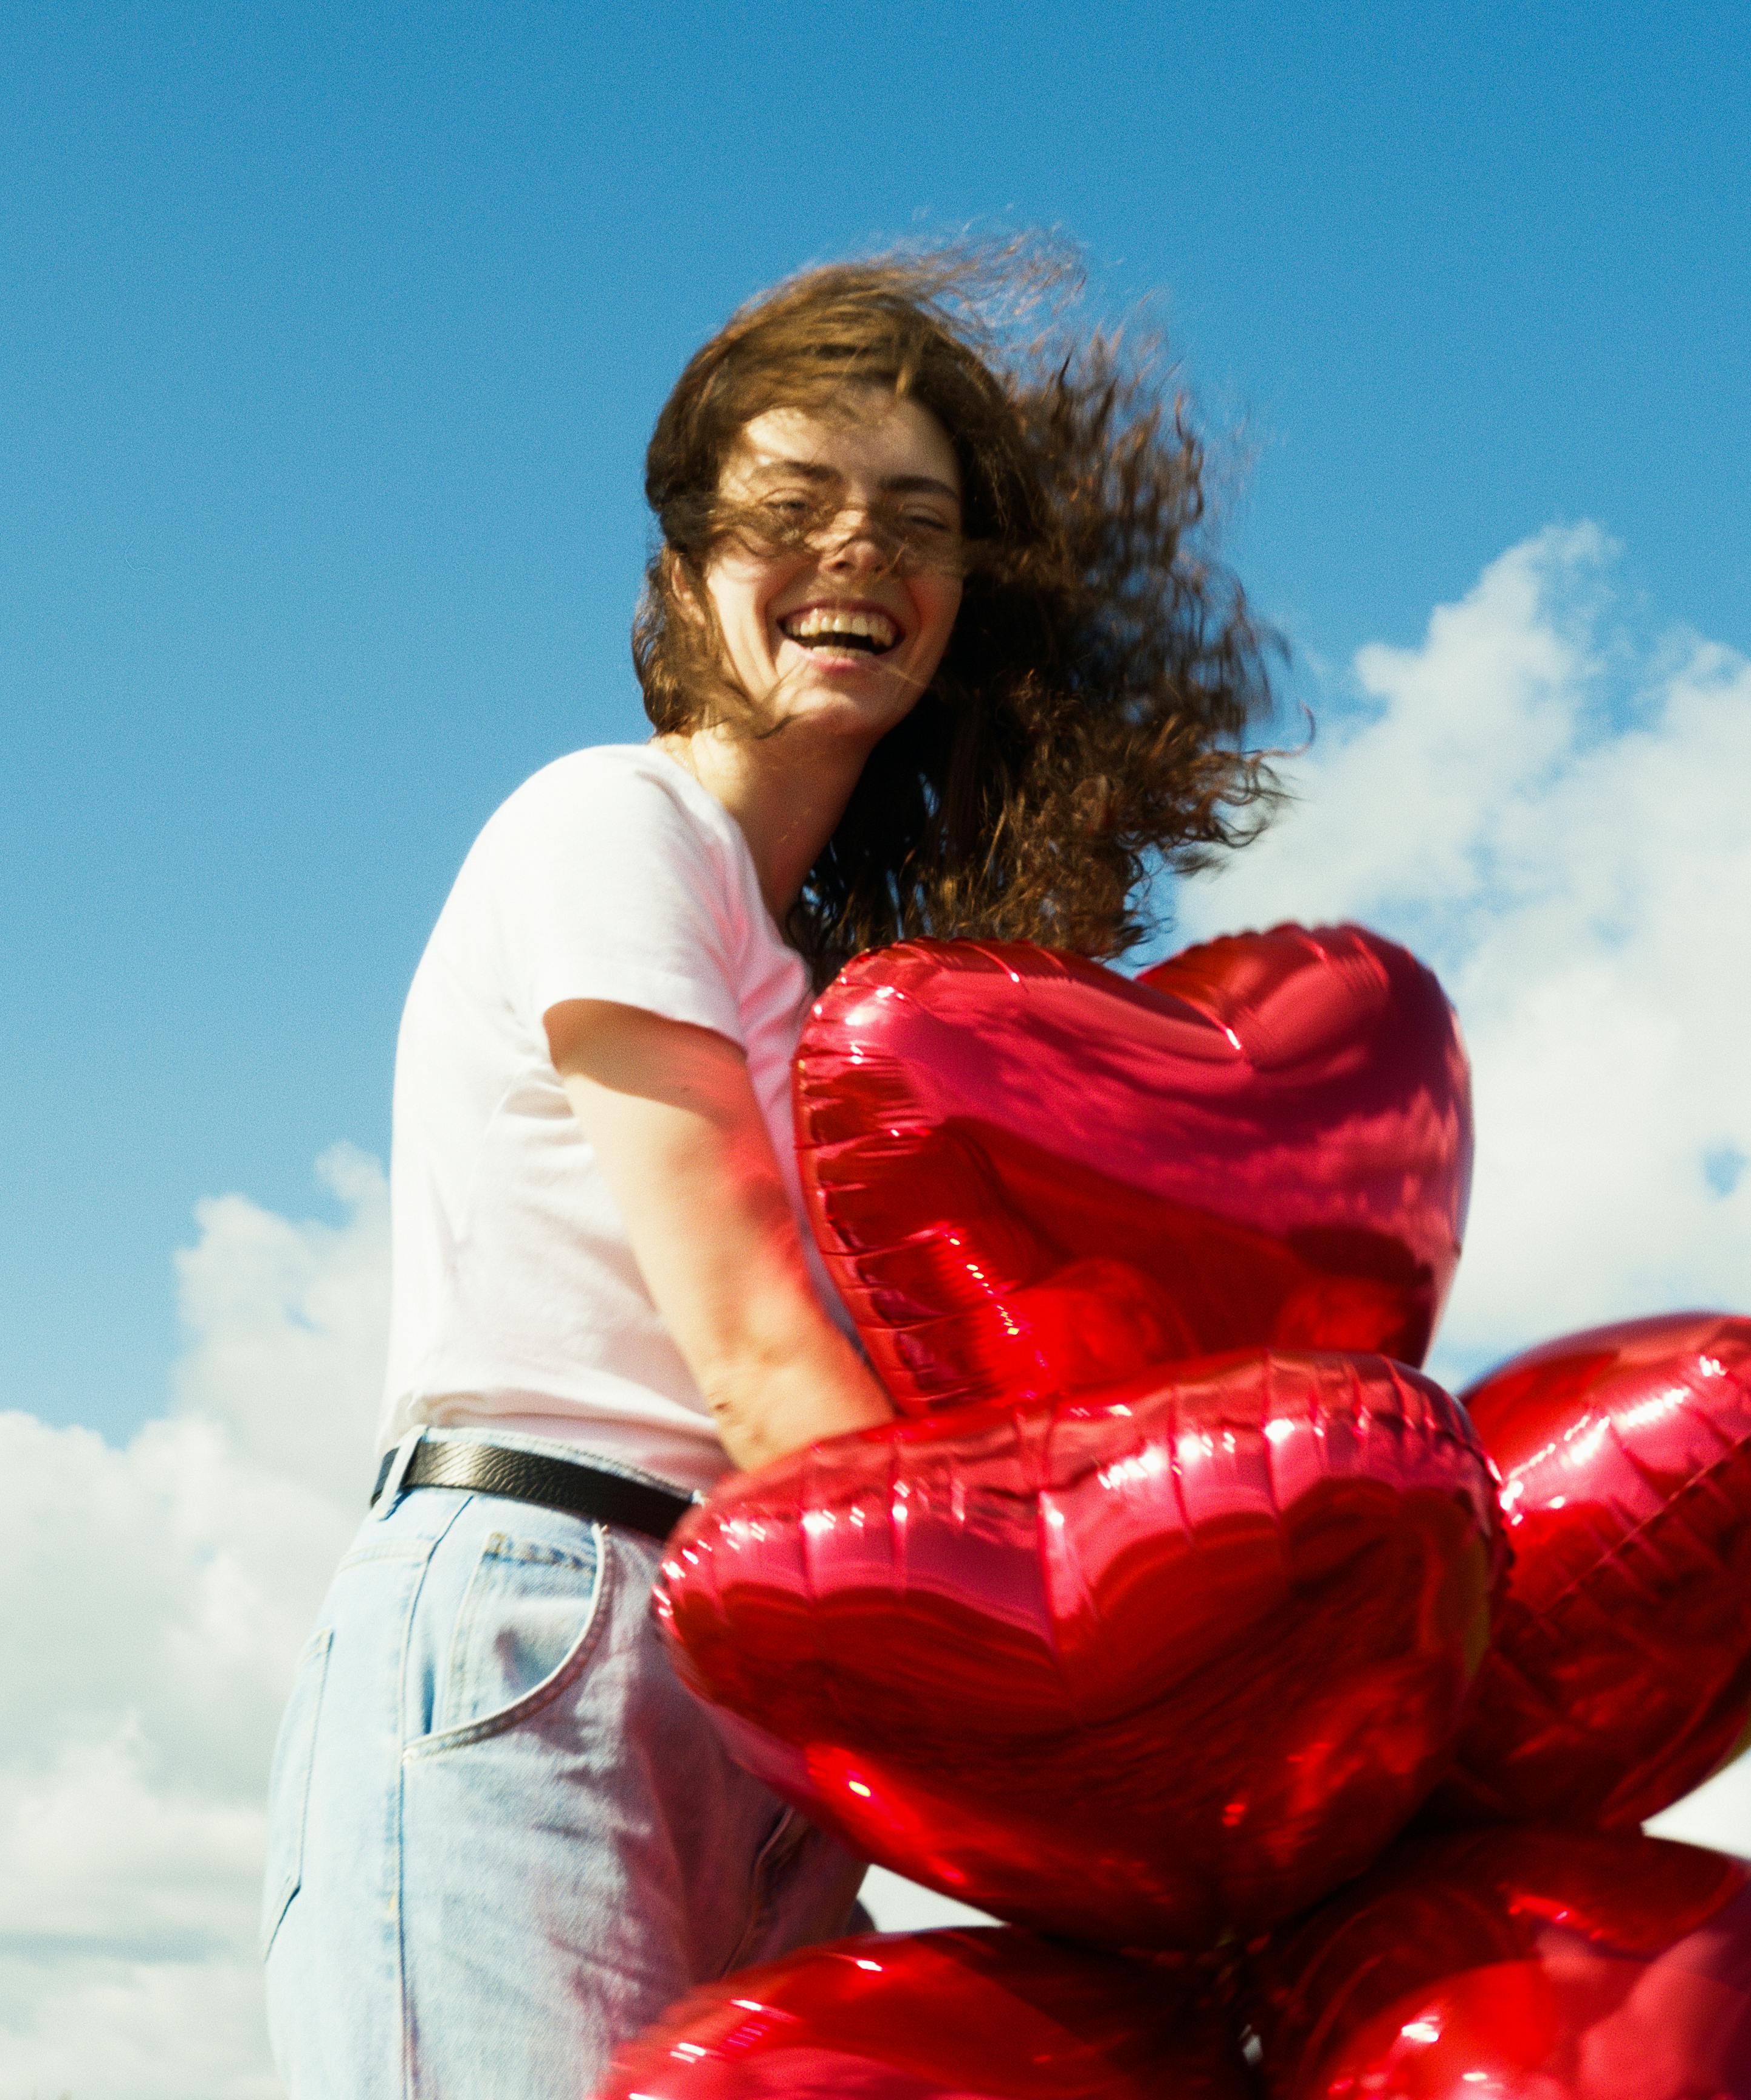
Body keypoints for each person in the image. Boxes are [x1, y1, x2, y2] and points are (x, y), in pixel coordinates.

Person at [260, 238, 1280, 2100]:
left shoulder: (834, 998)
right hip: (548, 1621)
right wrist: (1048, 1716)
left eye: (917, 520)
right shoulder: (609, 823)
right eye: (793, 505)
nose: (859, 556)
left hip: (777, 1683)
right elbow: (743, 1339)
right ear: (687, 570)